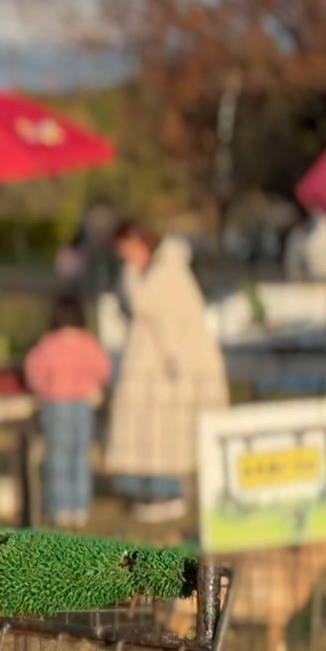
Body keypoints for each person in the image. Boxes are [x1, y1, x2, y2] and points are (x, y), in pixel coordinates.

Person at [101, 219, 229, 523]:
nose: (124, 256)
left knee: (166, 430)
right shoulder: (147, 271)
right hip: (150, 362)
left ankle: (167, 493)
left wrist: (130, 273)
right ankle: (142, 489)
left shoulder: (167, 271)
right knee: (145, 427)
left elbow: (145, 304)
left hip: (171, 365)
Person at [23, 296, 112, 528]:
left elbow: (33, 371)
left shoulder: (48, 344)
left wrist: (44, 388)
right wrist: (92, 384)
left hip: (56, 404)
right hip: (83, 405)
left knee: (57, 455)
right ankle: (79, 507)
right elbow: (104, 368)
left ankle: (59, 506)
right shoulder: (88, 343)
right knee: (80, 455)